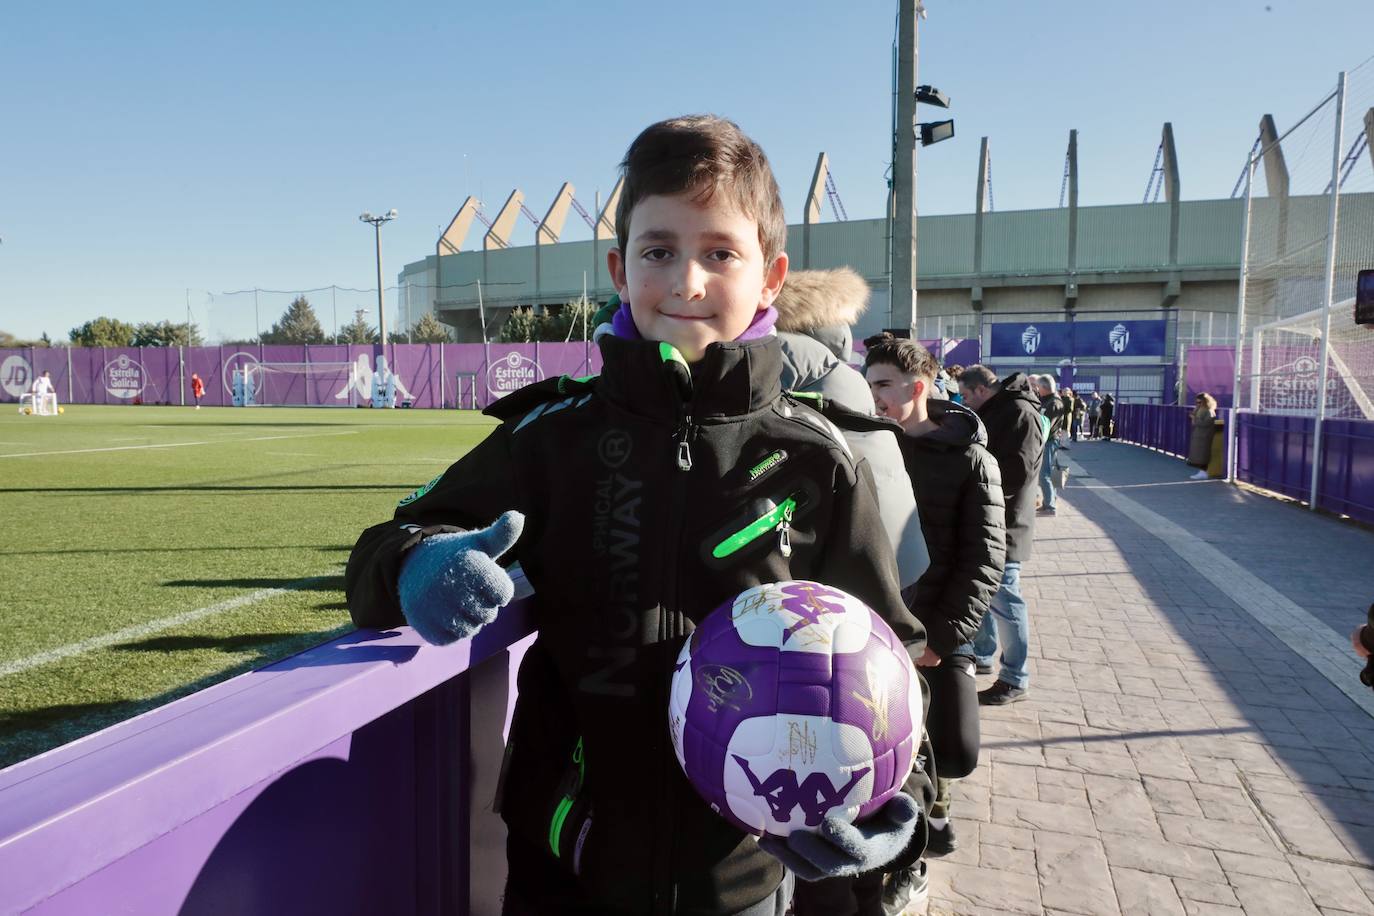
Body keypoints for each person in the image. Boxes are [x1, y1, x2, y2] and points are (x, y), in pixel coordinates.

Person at [346, 115, 927, 916]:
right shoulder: (551, 437)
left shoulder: (818, 458)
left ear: (771, 277)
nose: (687, 280)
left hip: (740, 874)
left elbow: (887, 657)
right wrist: (420, 563)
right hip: (566, 860)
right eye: (659, 251)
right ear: (621, 269)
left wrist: (894, 803)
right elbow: (391, 540)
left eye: (720, 252)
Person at [864, 336, 1005, 888]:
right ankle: (907, 860)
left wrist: (941, 641)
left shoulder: (973, 458)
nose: (872, 396)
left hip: (943, 635)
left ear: (917, 388)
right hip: (880, 632)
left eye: (882, 386)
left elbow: (986, 559)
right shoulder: (867, 446)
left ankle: (939, 803)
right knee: (887, 754)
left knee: (957, 749)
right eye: (868, 384)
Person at [959, 366, 1045, 706]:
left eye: (966, 397)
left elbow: (1016, 473)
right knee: (989, 596)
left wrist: (978, 488)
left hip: (1006, 522)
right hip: (995, 517)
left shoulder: (1019, 412)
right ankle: (983, 655)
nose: (966, 404)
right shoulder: (1005, 409)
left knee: (1006, 600)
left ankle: (1014, 678)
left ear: (981, 390)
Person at [1033, 375, 1066, 516]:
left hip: (1049, 441)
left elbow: (1047, 425)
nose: (1037, 389)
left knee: (1044, 474)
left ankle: (1050, 505)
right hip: (1049, 440)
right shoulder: (1049, 401)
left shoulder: (1053, 403)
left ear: (1045, 387)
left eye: (1038, 387)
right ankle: (1049, 501)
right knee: (1048, 473)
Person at [1188, 393, 1218, 479]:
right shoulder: (1199, 409)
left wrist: (1195, 419)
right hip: (1199, 434)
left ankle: (1203, 472)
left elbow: (1207, 423)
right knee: (1199, 454)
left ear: (1206, 402)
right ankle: (1201, 471)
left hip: (1205, 435)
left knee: (1203, 454)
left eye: (1200, 402)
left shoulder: (1210, 411)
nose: (1198, 404)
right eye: (1197, 402)